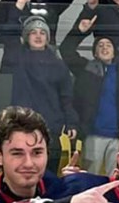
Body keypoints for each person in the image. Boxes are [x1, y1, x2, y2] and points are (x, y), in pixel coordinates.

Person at [62, 25, 119, 175]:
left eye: (108, 45)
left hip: (117, 137)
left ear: (114, 52)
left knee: (116, 179)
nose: (105, 48)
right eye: (100, 45)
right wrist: (80, 31)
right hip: (92, 135)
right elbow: (66, 50)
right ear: (95, 53)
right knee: (90, 179)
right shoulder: (86, 69)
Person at [11, 16, 78, 173]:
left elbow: (66, 96)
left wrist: (71, 122)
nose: (38, 36)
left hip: (50, 129)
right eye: (33, 32)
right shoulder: (17, 59)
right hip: (23, 127)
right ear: (26, 37)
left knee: (48, 177)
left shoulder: (58, 65)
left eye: (42, 32)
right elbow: (8, 36)